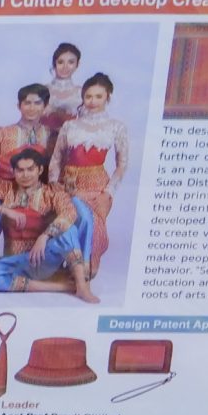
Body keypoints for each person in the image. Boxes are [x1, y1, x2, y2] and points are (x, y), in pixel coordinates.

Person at [0, 149, 98, 298]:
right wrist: (4, 210)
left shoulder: (52, 193)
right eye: (20, 170)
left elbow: (69, 213)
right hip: (18, 261)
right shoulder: (7, 190)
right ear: (13, 171)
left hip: (45, 258)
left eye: (30, 169)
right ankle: (62, 287)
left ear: (40, 170)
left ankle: (82, 285)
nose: (25, 175)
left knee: (69, 230)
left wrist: (45, 236)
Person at [50, 71, 131, 269]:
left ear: (107, 97)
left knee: (94, 226)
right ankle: (74, 264)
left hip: (98, 187)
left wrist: (108, 193)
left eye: (98, 96)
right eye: (88, 96)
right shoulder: (70, 126)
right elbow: (56, 158)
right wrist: (53, 183)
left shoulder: (116, 127)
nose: (93, 101)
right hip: (69, 185)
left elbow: (122, 165)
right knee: (77, 220)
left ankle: (85, 266)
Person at [0, 84, 55, 188]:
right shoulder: (1, 134)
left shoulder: (52, 136)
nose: (32, 108)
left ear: (45, 106)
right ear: (19, 106)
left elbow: (58, 167)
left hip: (40, 193)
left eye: (37, 103)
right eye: (27, 103)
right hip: (3, 190)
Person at [40, 43, 85, 133]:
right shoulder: (41, 90)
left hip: (71, 138)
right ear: (54, 64)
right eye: (60, 62)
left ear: (77, 64)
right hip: (42, 138)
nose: (65, 67)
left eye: (71, 62)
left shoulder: (82, 92)